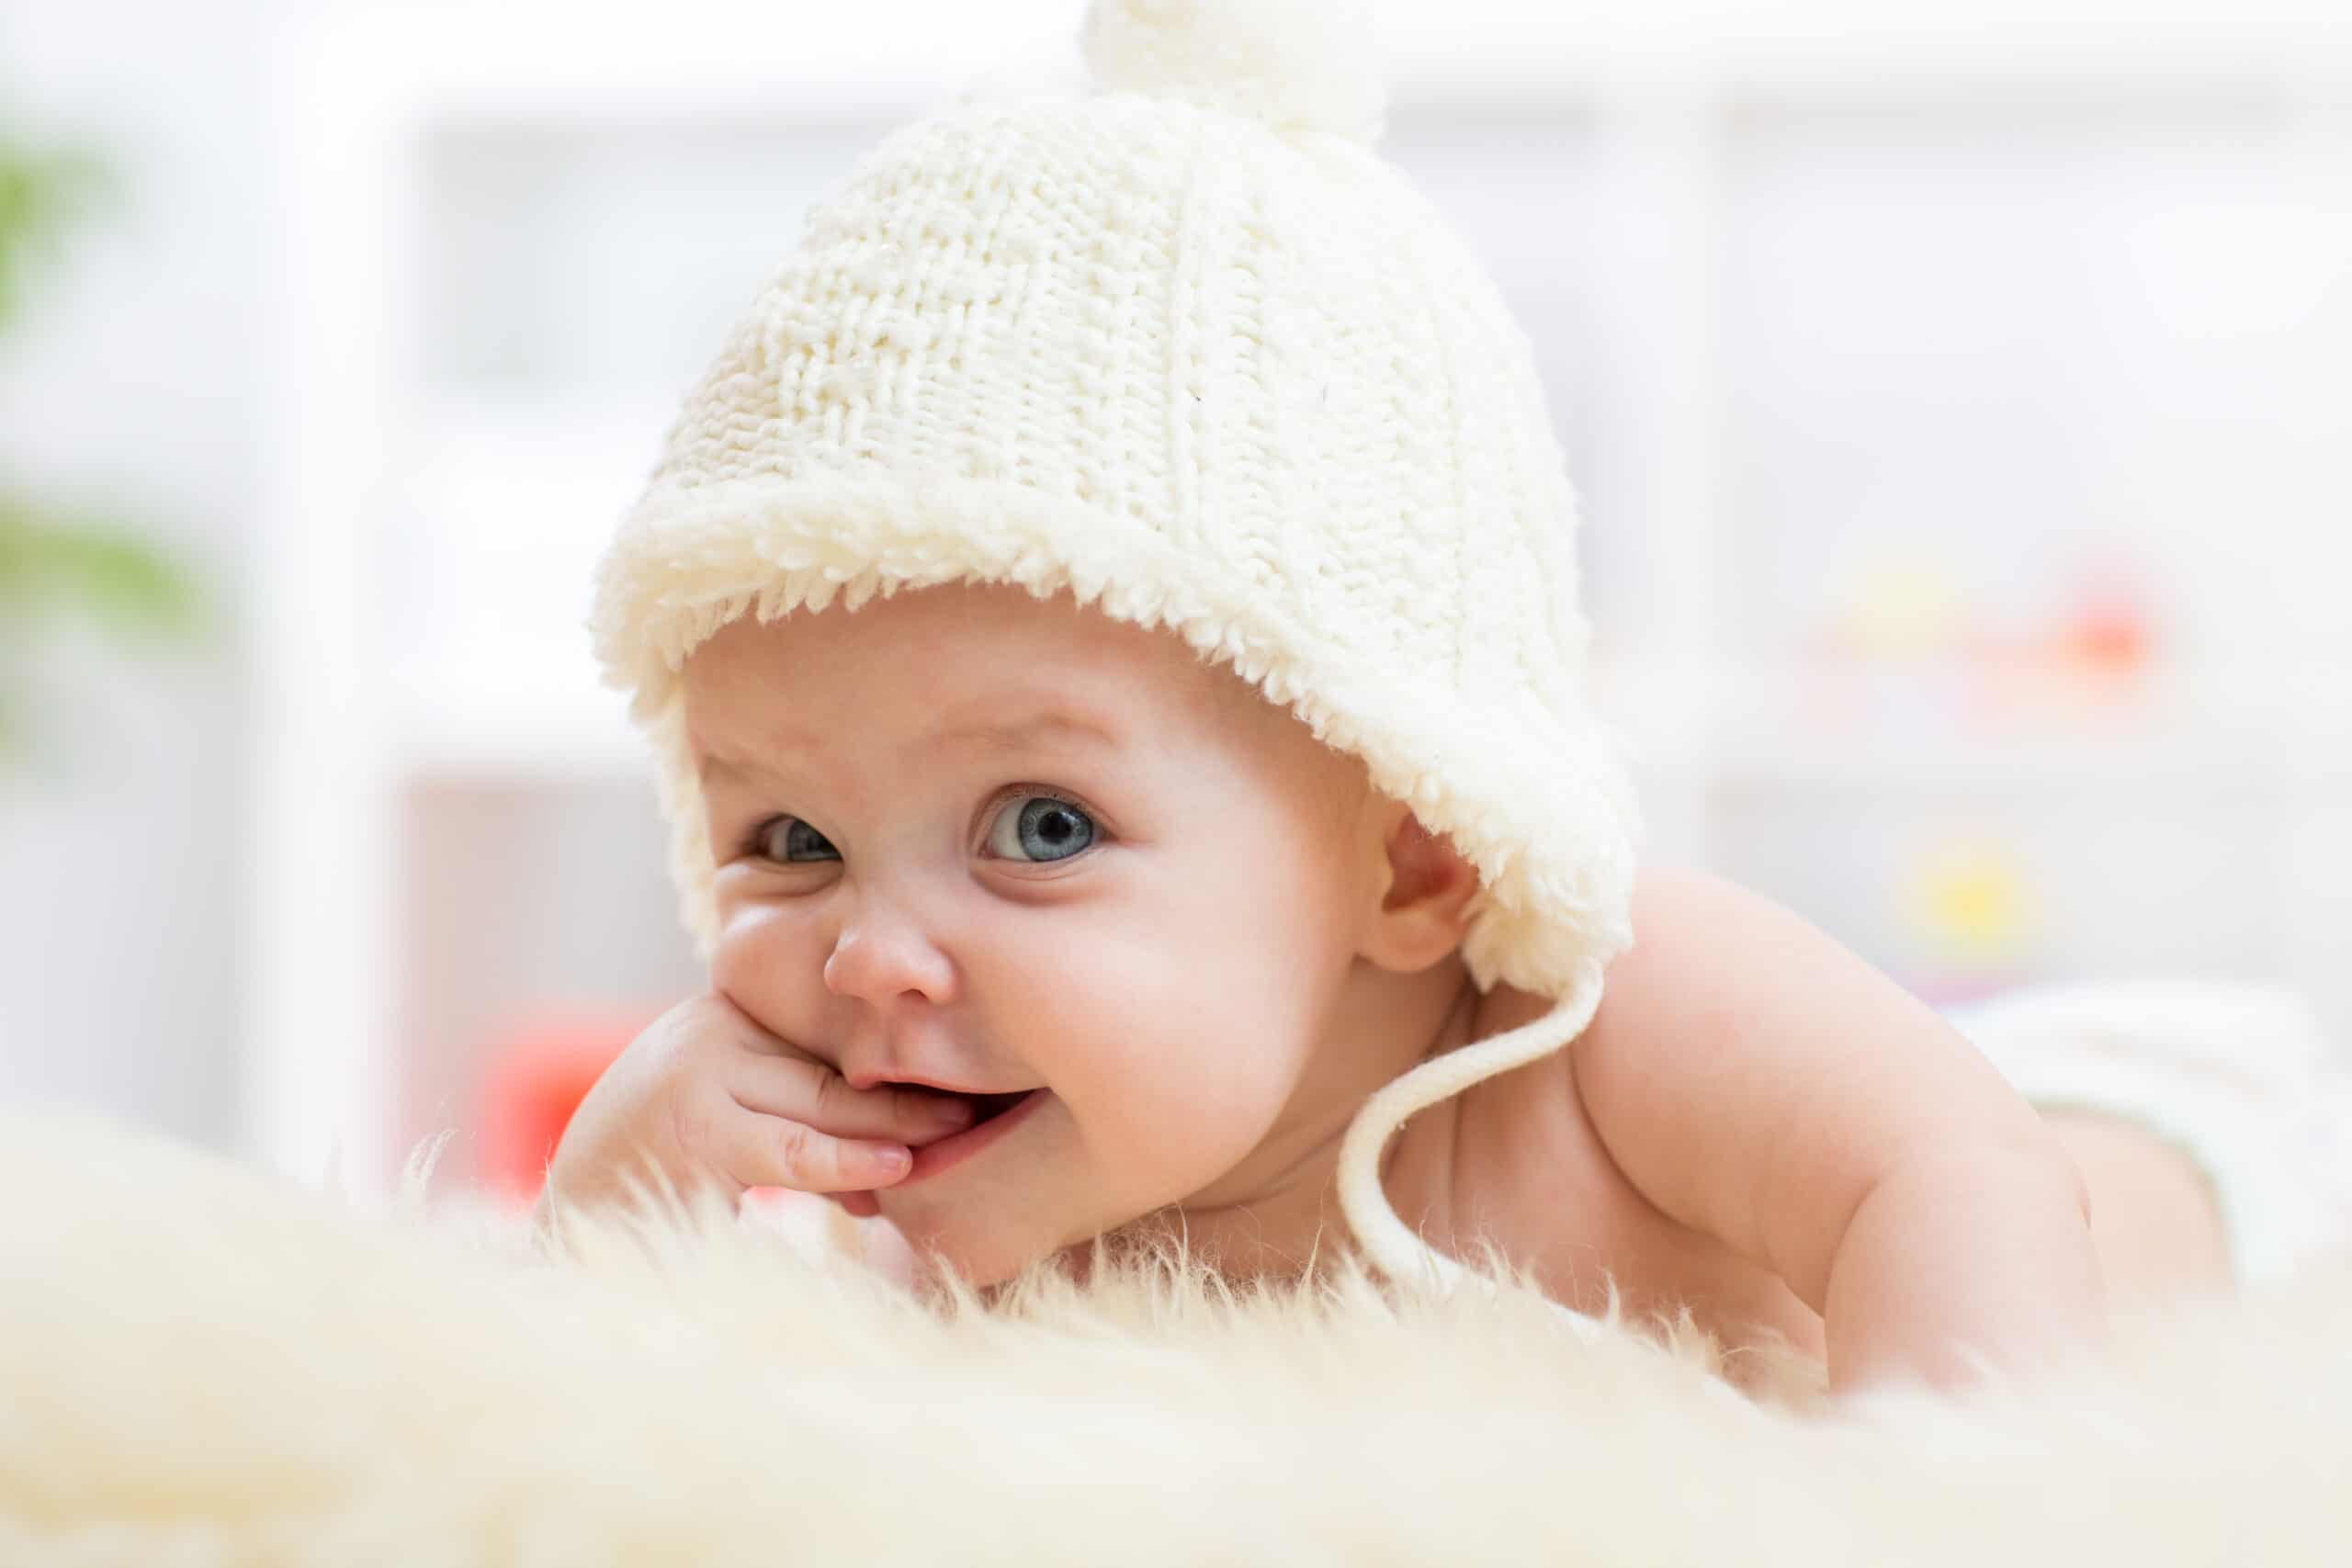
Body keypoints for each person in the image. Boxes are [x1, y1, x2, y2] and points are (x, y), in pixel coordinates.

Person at [536, 0, 2346, 1398]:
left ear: (1410, 855)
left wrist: (1929, 1490)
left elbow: (1951, 1176)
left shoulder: (1607, 1025)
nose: (869, 962)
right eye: (788, 836)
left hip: (2152, 1125)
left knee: (2097, 1143)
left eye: (1040, 825)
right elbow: (624, 1443)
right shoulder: (975, 1186)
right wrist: (622, 1204)